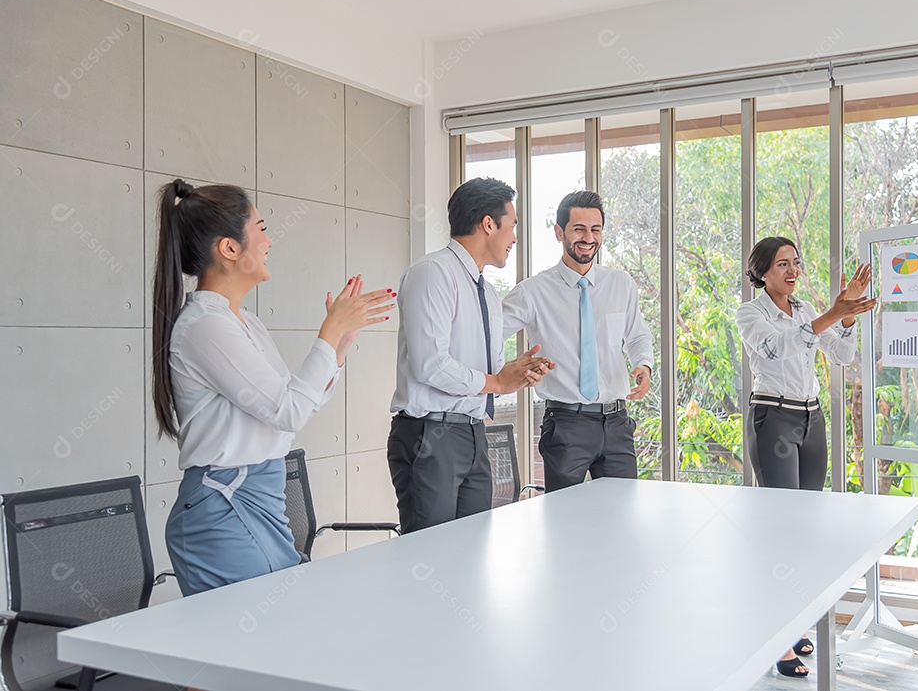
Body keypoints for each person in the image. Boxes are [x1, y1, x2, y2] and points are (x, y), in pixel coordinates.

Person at [152, 178, 394, 596]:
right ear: (229, 248)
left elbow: (293, 406)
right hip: (223, 505)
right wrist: (328, 332)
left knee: (277, 636)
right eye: (260, 228)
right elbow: (289, 410)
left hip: (259, 500)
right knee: (250, 646)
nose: (268, 241)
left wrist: (337, 346)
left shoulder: (242, 321)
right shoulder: (206, 326)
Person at [735, 236, 875, 678]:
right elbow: (774, 349)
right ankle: (775, 640)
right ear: (762, 271)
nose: (792, 270)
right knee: (780, 532)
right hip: (773, 417)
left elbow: (841, 354)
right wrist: (832, 314)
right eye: (782, 264)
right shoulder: (750, 313)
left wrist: (847, 320)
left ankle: (792, 624)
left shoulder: (803, 311)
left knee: (805, 530)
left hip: (811, 419)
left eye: (796, 262)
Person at [388, 177, 553, 534]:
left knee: (471, 553)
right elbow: (430, 364)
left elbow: (483, 373)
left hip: (474, 434)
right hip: (430, 435)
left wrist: (515, 373)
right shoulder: (431, 274)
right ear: (488, 224)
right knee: (430, 555)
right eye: (512, 226)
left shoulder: (489, 294)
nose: (514, 238)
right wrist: (496, 381)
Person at [502, 190, 653, 492]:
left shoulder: (620, 283)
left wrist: (644, 366)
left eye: (595, 229)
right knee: (564, 520)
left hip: (617, 422)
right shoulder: (532, 291)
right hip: (566, 424)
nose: (589, 237)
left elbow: (637, 334)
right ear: (559, 232)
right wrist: (507, 371)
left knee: (623, 515)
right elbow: (487, 334)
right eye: (579, 229)